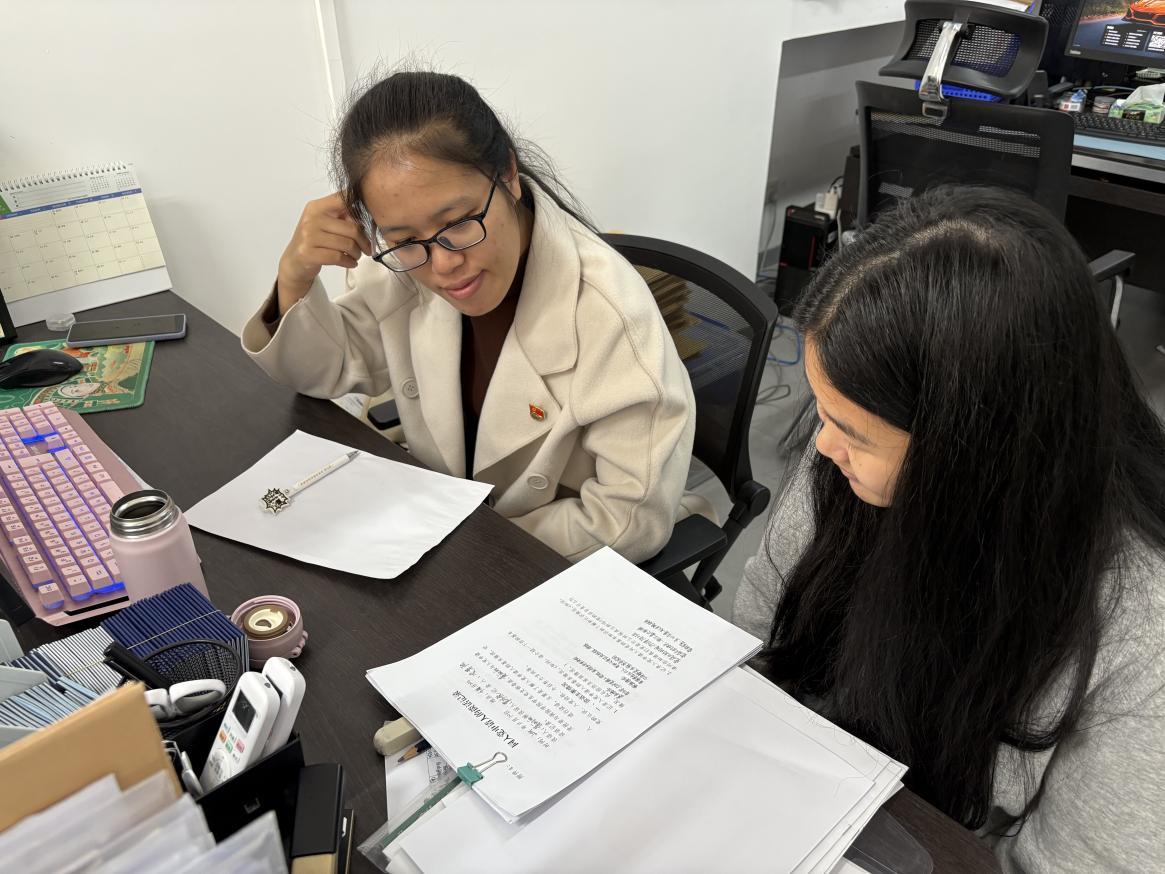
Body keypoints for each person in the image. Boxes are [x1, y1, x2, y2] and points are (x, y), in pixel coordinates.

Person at [733, 186, 1165, 872]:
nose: (822, 446)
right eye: (824, 413)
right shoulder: (845, 467)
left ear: (974, 454)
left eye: (851, 431)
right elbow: (762, 631)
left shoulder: (1141, 638)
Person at [242, 70, 706, 564]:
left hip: (539, 560)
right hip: (442, 526)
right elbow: (325, 371)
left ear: (507, 173)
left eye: (459, 222)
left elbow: (628, 519)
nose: (443, 265)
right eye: (403, 239)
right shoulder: (403, 268)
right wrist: (295, 275)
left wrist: (466, 546)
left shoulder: (610, 318)